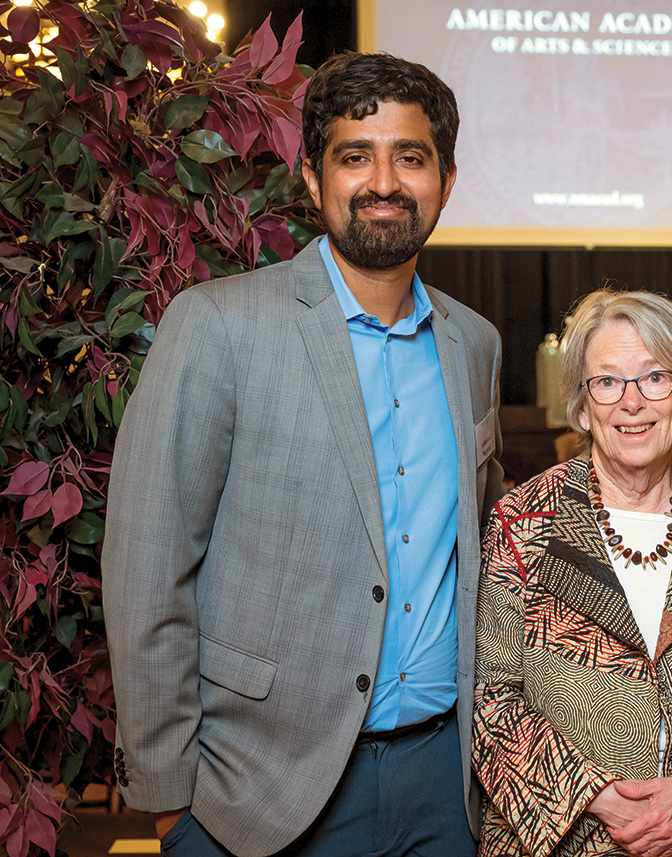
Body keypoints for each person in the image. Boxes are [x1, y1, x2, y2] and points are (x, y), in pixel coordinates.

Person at [102, 52, 503, 857]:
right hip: (257, 789)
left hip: (443, 785)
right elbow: (148, 562)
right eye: (355, 156)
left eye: (411, 157)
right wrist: (169, 801)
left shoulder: (474, 344)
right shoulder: (218, 325)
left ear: (446, 181)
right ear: (315, 181)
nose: (384, 181)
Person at [473, 289, 672, 857]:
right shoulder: (522, 521)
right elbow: (491, 700)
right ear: (581, 404)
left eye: (655, 377)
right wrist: (597, 798)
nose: (632, 401)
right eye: (607, 381)